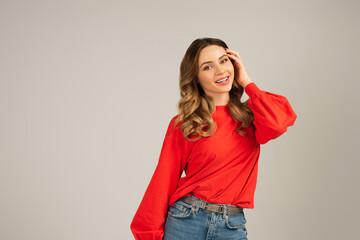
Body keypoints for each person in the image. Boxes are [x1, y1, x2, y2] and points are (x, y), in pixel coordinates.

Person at [130, 37, 297, 240]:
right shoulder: (186, 123)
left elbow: (278, 123)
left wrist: (247, 82)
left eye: (224, 60)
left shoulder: (252, 116)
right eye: (208, 67)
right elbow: (163, 178)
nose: (220, 71)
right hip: (186, 221)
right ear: (196, 78)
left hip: (232, 225)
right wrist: (148, 234)